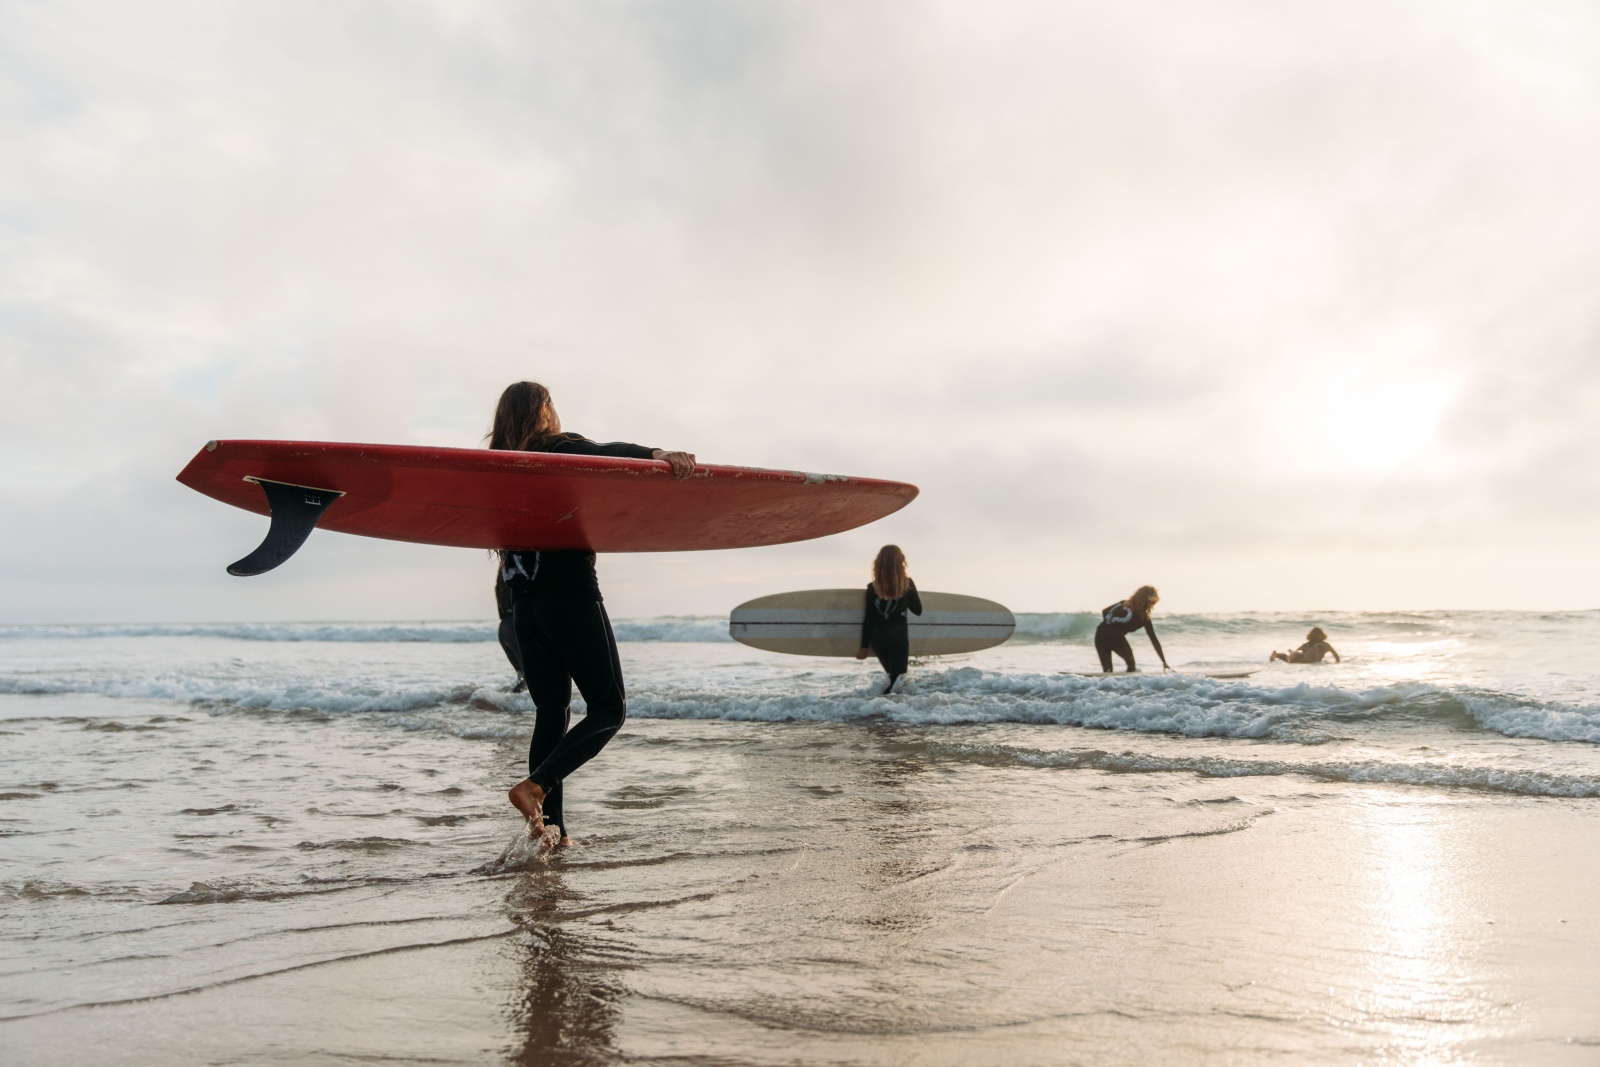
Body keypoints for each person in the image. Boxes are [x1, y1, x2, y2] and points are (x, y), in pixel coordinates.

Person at [491, 381, 696, 846]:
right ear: (543, 410)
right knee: (609, 708)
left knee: (552, 710)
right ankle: (535, 788)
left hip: (524, 608)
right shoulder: (557, 449)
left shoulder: (499, 472)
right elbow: (607, 453)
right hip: (570, 596)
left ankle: (552, 831)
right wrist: (657, 453)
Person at [855, 545, 922, 694]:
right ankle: (889, 709)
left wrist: (864, 647)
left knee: (893, 678)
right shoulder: (907, 584)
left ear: (879, 564)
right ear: (901, 562)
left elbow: (869, 618)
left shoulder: (872, 587)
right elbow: (918, 611)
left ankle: (881, 709)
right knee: (898, 681)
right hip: (898, 637)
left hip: (878, 638)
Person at [1095, 585, 1169, 673]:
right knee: (1131, 664)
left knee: (1107, 671)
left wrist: (1111, 626)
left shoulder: (1122, 603)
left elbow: (1105, 611)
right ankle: (1130, 685)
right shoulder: (1143, 617)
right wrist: (1164, 662)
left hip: (1100, 634)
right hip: (1115, 636)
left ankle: (1100, 685)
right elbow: (1153, 639)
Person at [1270, 627, 1341, 664]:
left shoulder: (1307, 644)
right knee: (1302, 658)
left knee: (1291, 658)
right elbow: (1336, 656)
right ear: (1322, 635)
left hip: (1301, 657)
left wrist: (1293, 652)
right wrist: (1337, 663)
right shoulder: (1325, 645)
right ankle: (1290, 654)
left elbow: (1297, 650)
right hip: (1312, 659)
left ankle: (1277, 654)